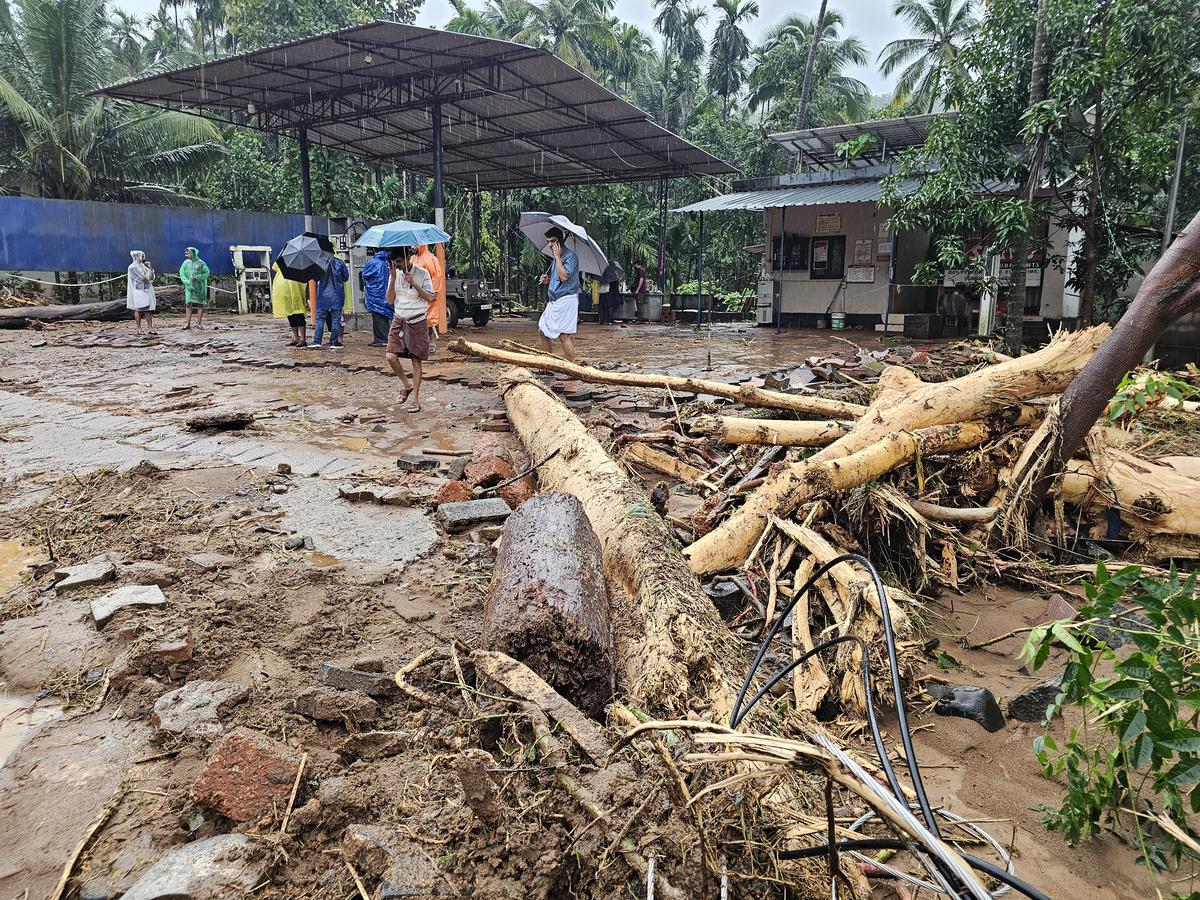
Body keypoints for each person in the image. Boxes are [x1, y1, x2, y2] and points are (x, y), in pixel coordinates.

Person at [385, 250, 434, 413]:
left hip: (418, 320)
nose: (397, 265)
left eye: (399, 261)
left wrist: (414, 283)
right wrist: (392, 279)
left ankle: (416, 400)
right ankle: (407, 384)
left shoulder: (422, 273)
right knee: (390, 356)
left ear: (408, 258)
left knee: (416, 360)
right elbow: (390, 300)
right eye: (395, 262)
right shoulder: (394, 274)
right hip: (399, 318)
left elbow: (430, 298)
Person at [537, 226, 581, 361]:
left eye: (553, 241)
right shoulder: (557, 259)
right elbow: (558, 280)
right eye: (548, 241)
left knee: (564, 336)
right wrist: (547, 280)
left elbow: (564, 277)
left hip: (566, 300)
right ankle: (548, 365)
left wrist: (557, 257)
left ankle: (572, 367)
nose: (550, 244)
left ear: (560, 241)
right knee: (543, 331)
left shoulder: (570, 257)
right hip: (554, 300)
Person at [310, 255, 350, 350]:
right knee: (336, 320)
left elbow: (314, 277)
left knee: (320, 319)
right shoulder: (340, 263)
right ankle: (334, 342)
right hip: (337, 296)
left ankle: (317, 341)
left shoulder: (319, 263)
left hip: (323, 296)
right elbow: (345, 277)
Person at [413, 243, 445, 347]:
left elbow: (437, 276)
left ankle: (430, 342)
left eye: (414, 245)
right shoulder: (412, 258)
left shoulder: (431, 259)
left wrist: (434, 293)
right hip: (414, 294)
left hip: (427, 293)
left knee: (428, 319)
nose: (412, 247)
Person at [361, 247, 394, 347]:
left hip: (375, 294)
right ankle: (383, 338)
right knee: (384, 316)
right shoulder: (389, 262)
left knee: (378, 317)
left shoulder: (373, 262)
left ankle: (381, 339)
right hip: (387, 293)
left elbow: (364, 274)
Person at [271, 262, 309, 347]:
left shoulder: (298, 265)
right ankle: (296, 338)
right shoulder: (282, 264)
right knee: (291, 316)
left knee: (298, 315)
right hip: (286, 294)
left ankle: (302, 339)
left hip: (295, 294)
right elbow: (275, 266)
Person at [126, 251, 157, 335]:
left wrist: (150, 269)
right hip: (138, 290)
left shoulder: (143, 266)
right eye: (141, 256)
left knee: (148, 309)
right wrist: (147, 278)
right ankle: (139, 328)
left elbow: (151, 277)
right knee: (138, 309)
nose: (143, 258)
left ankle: (150, 328)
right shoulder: (132, 267)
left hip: (147, 289)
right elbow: (142, 278)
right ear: (136, 256)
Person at [180, 247, 210, 330]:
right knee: (188, 304)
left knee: (200, 304)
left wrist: (197, 278)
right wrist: (187, 281)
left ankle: (199, 323)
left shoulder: (201, 263)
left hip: (200, 287)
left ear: (193, 253)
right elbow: (182, 273)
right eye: (186, 253)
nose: (186, 255)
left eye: (188, 253)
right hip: (190, 287)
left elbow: (206, 273)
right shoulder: (185, 263)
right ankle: (188, 323)